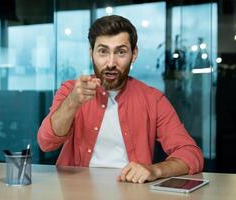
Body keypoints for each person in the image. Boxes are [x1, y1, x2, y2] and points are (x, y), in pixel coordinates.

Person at [37, 15, 204, 184]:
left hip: (132, 190)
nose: (111, 62)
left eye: (121, 52)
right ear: (91, 53)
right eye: (103, 51)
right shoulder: (71, 91)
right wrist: (72, 102)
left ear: (134, 54)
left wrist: (155, 170)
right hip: (76, 190)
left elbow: (191, 153)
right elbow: (45, 143)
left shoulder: (153, 99)